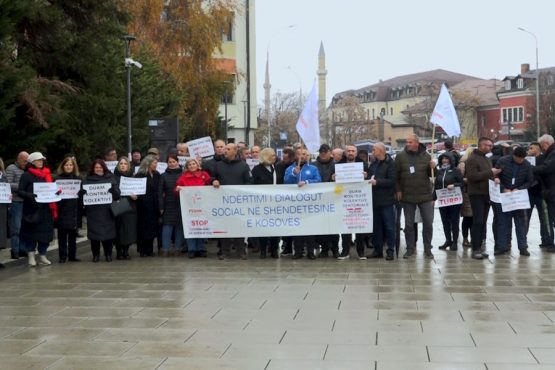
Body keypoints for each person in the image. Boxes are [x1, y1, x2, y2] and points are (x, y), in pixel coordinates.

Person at [394, 134, 436, 259]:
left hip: (425, 196)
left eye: (410, 142)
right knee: (408, 224)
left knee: (428, 223)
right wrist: (398, 190)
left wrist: (433, 167)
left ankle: (428, 248)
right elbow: (395, 175)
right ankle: (410, 248)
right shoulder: (400, 156)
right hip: (407, 195)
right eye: (407, 142)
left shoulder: (427, 156)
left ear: (417, 143)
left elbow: (431, 174)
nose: (407, 144)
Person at [212, 143, 252, 260]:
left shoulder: (244, 166)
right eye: (225, 149)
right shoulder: (218, 165)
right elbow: (213, 177)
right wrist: (214, 181)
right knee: (225, 226)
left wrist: (241, 190)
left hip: (238, 202)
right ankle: (224, 252)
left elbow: (249, 181)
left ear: (235, 151)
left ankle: (241, 251)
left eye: (228, 149)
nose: (225, 151)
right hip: (223, 202)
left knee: (239, 226)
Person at [465, 137, 502, 260]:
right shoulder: (472, 159)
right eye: (489, 145)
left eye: (491, 145)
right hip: (476, 194)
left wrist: (494, 177)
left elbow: (488, 175)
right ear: (482, 145)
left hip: (487, 193)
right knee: (478, 221)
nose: (491, 147)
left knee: (483, 222)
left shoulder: (487, 159)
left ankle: (480, 247)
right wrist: (490, 173)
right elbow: (471, 176)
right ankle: (475, 249)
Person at [18, 152, 57, 267]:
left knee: (45, 234)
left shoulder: (47, 175)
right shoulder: (26, 175)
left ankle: (43, 255)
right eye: (38, 160)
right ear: (32, 162)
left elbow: (52, 188)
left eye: (42, 160)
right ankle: (31, 257)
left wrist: (56, 192)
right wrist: (29, 195)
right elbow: (20, 191)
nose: (41, 162)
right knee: (31, 234)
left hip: (46, 209)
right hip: (32, 210)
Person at [493, 146, 534, 256]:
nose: (520, 160)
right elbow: (495, 176)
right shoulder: (503, 161)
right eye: (518, 158)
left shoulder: (527, 165)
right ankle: (502, 247)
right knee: (503, 223)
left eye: (522, 158)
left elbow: (530, 181)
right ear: (513, 155)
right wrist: (503, 188)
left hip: (518, 198)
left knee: (520, 224)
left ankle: (523, 247)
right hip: (504, 197)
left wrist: (519, 189)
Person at [285, 147, 321, 259]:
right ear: (296, 156)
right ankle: (298, 251)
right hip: (295, 204)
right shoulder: (290, 168)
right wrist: (294, 174)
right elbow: (286, 182)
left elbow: (318, 180)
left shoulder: (313, 168)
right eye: (300, 154)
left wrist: (306, 182)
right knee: (297, 228)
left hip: (309, 203)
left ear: (308, 156)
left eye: (305, 154)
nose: (303, 156)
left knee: (310, 227)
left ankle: (311, 251)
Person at [333, 144, 369, 259]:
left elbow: (370, 179)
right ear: (345, 152)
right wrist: (333, 177)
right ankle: (345, 251)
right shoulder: (339, 165)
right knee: (345, 225)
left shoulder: (363, 164)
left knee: (359, 226)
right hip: (344, 199)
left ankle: (361, 251)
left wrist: (366, 176)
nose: (350, 153)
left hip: (359, 198)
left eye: (353, 151)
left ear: (356, 153)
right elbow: (332, 182)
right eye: (348, 151)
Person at [82, 159, 119, 262]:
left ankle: (108, 254)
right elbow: (82, 197)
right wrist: (82, 193)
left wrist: (113, 190)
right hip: (93, 211)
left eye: (100, 167)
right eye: (96, 167)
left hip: (107, 211)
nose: (98, 169)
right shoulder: (87, 180)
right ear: (93, 169)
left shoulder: (110, 178)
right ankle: (96, 255)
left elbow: (117, 195)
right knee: (94, 236)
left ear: (104, 168)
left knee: (108, 234)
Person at [176, 158, 211, 258]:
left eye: (193, 164)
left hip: (202, 205)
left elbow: (210, 186)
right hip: (189, 206)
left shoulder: (204, 175)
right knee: (191, 226)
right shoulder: (183, 178)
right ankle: (191, 249)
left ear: (197, 165)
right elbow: (177, 189)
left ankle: (201, 248)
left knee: (201, 226)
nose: (192, 166)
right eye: (189, 164)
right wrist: (177, 189)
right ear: (187, 167)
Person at [367, 143, 397, 260]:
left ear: (381, 150)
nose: (372, 151)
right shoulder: (374, 164)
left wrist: (377, 182)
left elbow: (392, 181)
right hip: (374, 200)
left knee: (389, 227)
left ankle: (390, 251)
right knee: (376, 227)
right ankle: (377, 250)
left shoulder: (391, 164)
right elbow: (370, 177)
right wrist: (366, 175)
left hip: (387, 201)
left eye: (374, 149)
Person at [251, 148, 280, 258]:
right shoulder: (256, 170)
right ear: (266, 156)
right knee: (263, 228)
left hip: (276, 204)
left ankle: (274, 249)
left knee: (275, 228)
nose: (275, 157)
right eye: (272, 155)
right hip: (262, 204)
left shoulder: (276, 168)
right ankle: (263, 250)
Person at [313, 144, 339, 258]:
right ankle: (324, 249)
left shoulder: (337, 165)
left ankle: (335, 249)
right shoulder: (313, 165)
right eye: (321, 151)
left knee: (334, 226)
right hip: (319, 199)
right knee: (321, 226)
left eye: (325, 151)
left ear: (330, 152)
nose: (323, 153)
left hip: (333, 199)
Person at [434, 152, 464, 251]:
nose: (444, 160)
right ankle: (448, 240)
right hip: (443, 200)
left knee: (454, 221)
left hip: (454, 201)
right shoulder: (439, 172)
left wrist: (454, 185)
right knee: (445, 221)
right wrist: (433, 198)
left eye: (446, 159)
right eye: (442, 159)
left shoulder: (456, 171)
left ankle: (455, 241)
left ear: (450, 160)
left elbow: (462, 183)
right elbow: (437, 186)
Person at [55, 156, 81, 263]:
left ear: (74, 166)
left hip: (74, 209)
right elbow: (53, 194)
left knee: (73, 235)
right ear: (63, 166)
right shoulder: (57, 179)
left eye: (71, 165)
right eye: (66, 165)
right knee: (62, 235)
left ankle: (72, 255)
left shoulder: (78, 179)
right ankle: (62, 256)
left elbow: (82, 193)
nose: (69, 167)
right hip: (62, 209)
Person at [159, 154, 184, 257]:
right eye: (170, 162)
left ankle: (177, 249)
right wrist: (161, 206)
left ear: (177, 162)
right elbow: (159, 192)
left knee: (179, 227)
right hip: (168, 204)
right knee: (167, 227)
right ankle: (165, 249)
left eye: (174, 162)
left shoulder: (183, 174)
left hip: (181, 203)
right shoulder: (163, 175)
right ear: (167, 163)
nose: (172, 164)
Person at [135, 155, 160, 257]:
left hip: (154, 205)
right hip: (142, 205)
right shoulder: (140, 175)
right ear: (148, 163)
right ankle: (142, 250)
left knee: (152, 227)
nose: (156, 165)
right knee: (143, 228)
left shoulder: (157, 174)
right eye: (154, 163)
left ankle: (149, 249)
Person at [526, 142, 550, 247]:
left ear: (537, 149)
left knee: (543, 218)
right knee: (526, 218)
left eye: (531, 148)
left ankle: (545, 240)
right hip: (528, 193)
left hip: (541, 193)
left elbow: (545, 173)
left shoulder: (544, 159)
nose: (529, 150)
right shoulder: (526, 160)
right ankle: (523, 241)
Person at [534, 134, 555, 253]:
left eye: (542, 146)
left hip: (551, 192)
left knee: (551, 218)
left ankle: (552, 243)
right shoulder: (549, 154)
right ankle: (549, 241)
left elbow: (546, 168)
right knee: (550, 218)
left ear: (546, 144)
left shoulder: (553, 153)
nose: (542, 148)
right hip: (550, 191)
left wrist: (531, 168)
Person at [113, 157, 137, 260]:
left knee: (128, 229)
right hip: (118, 206)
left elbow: (138, 191)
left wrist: (136, 196)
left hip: (130, 206)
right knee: (118, 229)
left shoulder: (133, 178)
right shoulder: (113, 178)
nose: (123, 165)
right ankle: (119, 251)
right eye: (121, 163)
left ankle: (126, 250)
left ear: (128, 166)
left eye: (125, 164)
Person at [6, 151, 29, 259]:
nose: (26, 163)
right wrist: (22, 186)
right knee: (16, 228)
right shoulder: (11, 168)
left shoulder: (27, 170)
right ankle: (14, 250)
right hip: (16, 202)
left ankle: (22, 249)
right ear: (18, 159)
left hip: (26, 202)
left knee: (24, 227)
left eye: (27, 161)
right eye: (24, 161)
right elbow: (7, 184)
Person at [274, 147, 295, 256]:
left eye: (286, 157)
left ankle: (292, 245)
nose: (284, 159)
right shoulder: (278, 166)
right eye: (283, 157)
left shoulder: (295, 166)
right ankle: (286, 244)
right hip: (282, 197)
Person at [458, 148, 474, 248]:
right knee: (468, 217)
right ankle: (465, 238)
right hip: (466, 192)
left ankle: (473, 238)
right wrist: (470, 179)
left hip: (475, 193)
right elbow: (459, 178)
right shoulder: (463, 164)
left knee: (474, 218)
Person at [0, 158, 9, 263]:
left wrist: (8, 196)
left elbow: (6, 189)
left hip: (2, 207)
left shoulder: (3, 176)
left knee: (1, 231)